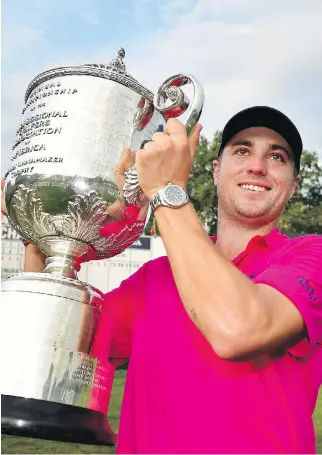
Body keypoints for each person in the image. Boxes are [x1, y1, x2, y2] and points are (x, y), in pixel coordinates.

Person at [2, 106, 322, 454]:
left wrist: (166, 191)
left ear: (294, 185)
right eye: (242, 150)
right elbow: (56, 344)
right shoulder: (154, 278)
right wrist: (42, 229)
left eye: (277, 156)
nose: (257, 166)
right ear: (216, 171)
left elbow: (239, 329)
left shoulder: (311, 257)